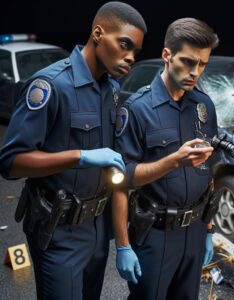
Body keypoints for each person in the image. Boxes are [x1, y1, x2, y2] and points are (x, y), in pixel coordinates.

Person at [0, 2, 146, 299]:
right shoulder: (50, 86)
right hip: (59, 230)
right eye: (124, 45)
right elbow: (10, 162)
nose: (130, 57)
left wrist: (121, 242)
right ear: (97, 33)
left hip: (96, 227)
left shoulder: (111, 89)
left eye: (135, 51)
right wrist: (79, 157)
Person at [112, 18, 219, 300]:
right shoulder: (137, 109)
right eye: (188, 62)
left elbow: (208, 170)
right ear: (167, 55)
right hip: (156, 233)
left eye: (203, 64)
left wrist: (208, 229)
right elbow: (122, 179)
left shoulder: (203, 106)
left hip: (195, 230)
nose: (195, 72)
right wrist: (122, 246)